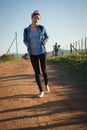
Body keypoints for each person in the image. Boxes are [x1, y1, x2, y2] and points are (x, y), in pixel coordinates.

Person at [23, 10, 50, 97]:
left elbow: (47, 36)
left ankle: (46, 86)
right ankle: (41, 91)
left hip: (42, 52)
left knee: (44, 70)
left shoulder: (41, 28)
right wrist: (26, 43)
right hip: (32, 53)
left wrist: (45, 41)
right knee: (37, 72)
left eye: (38, 18)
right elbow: (24, 40)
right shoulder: (26, 30)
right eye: (35, 18)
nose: (36, 19)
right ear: (32, 18)